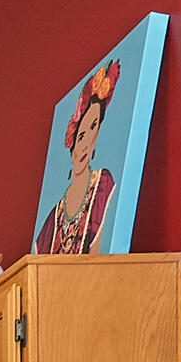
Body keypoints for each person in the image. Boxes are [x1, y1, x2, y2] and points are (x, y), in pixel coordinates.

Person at [36, 58, 122, 256]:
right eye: (81, 135)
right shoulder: (53, 219)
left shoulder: (103, 185)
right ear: (71, 140)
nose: (85, 143)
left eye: (93, 128)